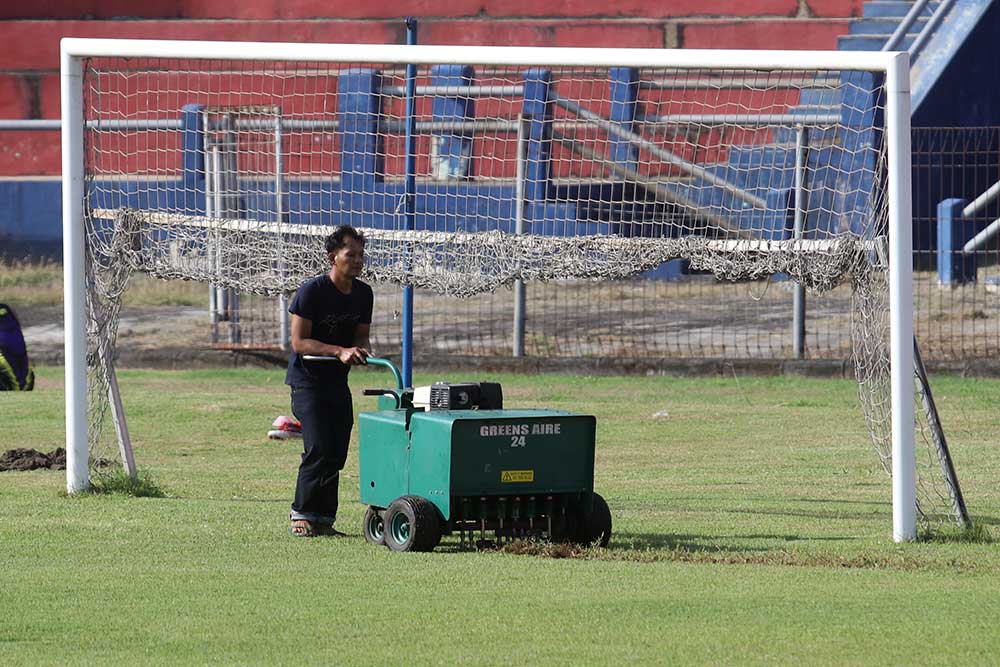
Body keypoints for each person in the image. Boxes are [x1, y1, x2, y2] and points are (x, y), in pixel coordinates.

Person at [285, 225, 373, 537]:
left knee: (336, 451)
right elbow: (299, 342)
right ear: (332, 257)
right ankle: (302, 513)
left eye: (361, 255)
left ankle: (324, 520)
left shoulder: (364, 294)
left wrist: (361, 351)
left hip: (337, 383)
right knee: (319, 446)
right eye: (351, 254)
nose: (358, 260)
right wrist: (338, 351)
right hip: (308, 381)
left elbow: (361, 337)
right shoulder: (312, 291)